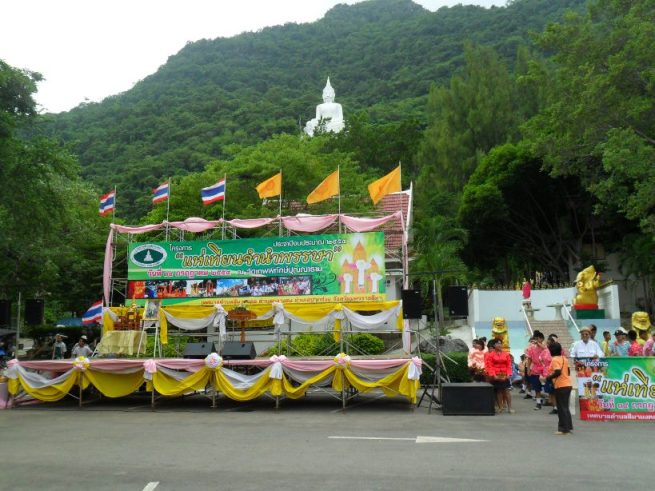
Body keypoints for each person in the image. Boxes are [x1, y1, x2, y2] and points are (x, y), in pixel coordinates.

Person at [542, 342, 573, 435]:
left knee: (561, 408)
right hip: (567, 384)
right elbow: (567, 371)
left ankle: (563, 429)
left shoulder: (555, 359)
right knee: (565, 407)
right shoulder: (564, 358)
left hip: (560, 385)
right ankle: (568, 426)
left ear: (552, 350)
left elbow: (558, 372)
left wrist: (548, 378)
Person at [485, 339, 514, 414]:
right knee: (499, 391)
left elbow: (509, 365)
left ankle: (510, 407)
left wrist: (508, 374)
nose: (499, 345)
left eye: (500, 343)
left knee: (506, 391)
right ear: (494, 345)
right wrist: (494, 375)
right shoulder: (490, 355)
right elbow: (490, 366)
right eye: (497, 343)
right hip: (496, 375)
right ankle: (500, 407)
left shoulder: (506, 354)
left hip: (505, 374)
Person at [525, 330, 551, 410]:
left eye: (539, 338)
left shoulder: (545, 347)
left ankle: (551, 401)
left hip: (545, 369)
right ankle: (538, 403)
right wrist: (529, 369)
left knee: (548, 386)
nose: (536, 340)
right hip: (535, 369)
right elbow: (529, 359)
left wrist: (539, 344)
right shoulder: (531, 348)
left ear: (542, 339)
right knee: (536, 387)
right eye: (536, 338)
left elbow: (547, 350)